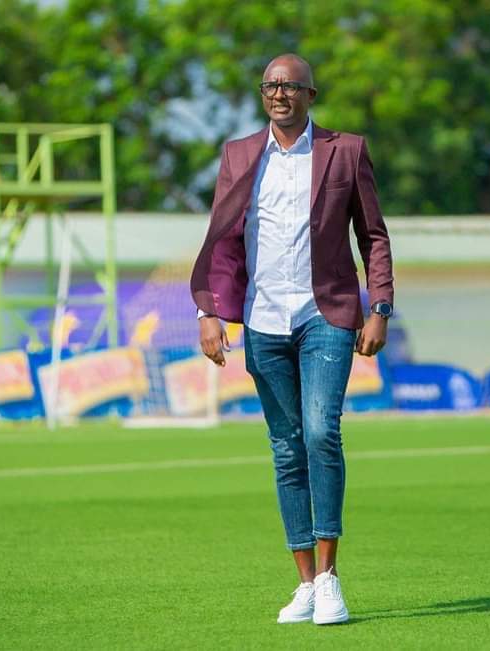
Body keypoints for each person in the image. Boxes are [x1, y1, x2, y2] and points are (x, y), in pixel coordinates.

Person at [191, 53, 394, 625]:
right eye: (269, 86)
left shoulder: (345, 150)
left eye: (289, 86)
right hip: (262, 319)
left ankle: (329, 580)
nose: (278, 94)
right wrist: (208, 311)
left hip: (326, 314)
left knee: (321, 432)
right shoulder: (238, 155)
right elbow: (222, 239)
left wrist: (379, 306)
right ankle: (304, 584)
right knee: (286, 447)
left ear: (310, 94)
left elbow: (373, 236)